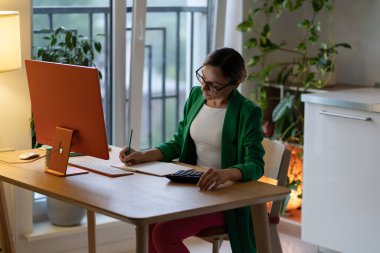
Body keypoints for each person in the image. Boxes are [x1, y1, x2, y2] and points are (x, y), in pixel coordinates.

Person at [119, 47, 265, 253]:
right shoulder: (196, 97)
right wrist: (143, 155)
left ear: (235, 83)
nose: (204, 87)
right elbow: (179, 143)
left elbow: (255, 165)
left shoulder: (248, 112)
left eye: (213, 84)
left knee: (164, 233)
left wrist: (226, 173)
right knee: (148, 223)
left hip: (226, 199)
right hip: (193, 190)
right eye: (202, 77)